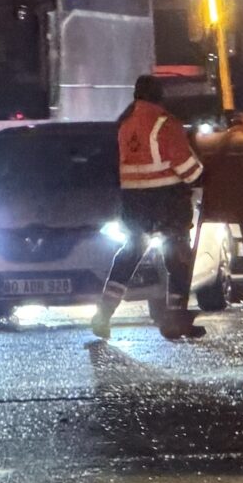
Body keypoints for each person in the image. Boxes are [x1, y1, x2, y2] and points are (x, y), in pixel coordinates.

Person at [92, 72, 205, 342]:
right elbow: (187, 169)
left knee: (129, 254)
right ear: (159, 95)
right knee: (177, 257)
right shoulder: (164, 123)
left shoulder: (126, 123)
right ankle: (175, 320)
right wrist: (204, 176)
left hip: (134, 202)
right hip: (166, 201)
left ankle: (103, 315)